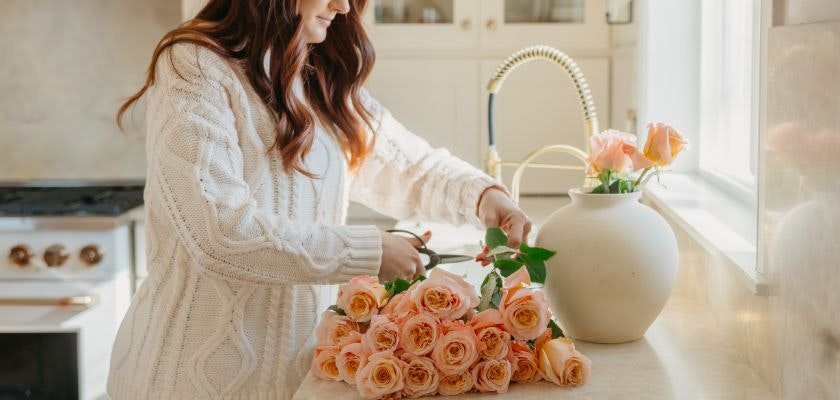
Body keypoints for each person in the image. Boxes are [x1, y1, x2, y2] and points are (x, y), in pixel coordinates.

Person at [107, 0, 532, 398]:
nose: (344, 7)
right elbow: (219, 231)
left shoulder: (316, 77)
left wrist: (485, 197)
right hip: (188, 382)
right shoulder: (194, 64)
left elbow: (410, 166)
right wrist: (368, 249)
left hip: (299, 381)